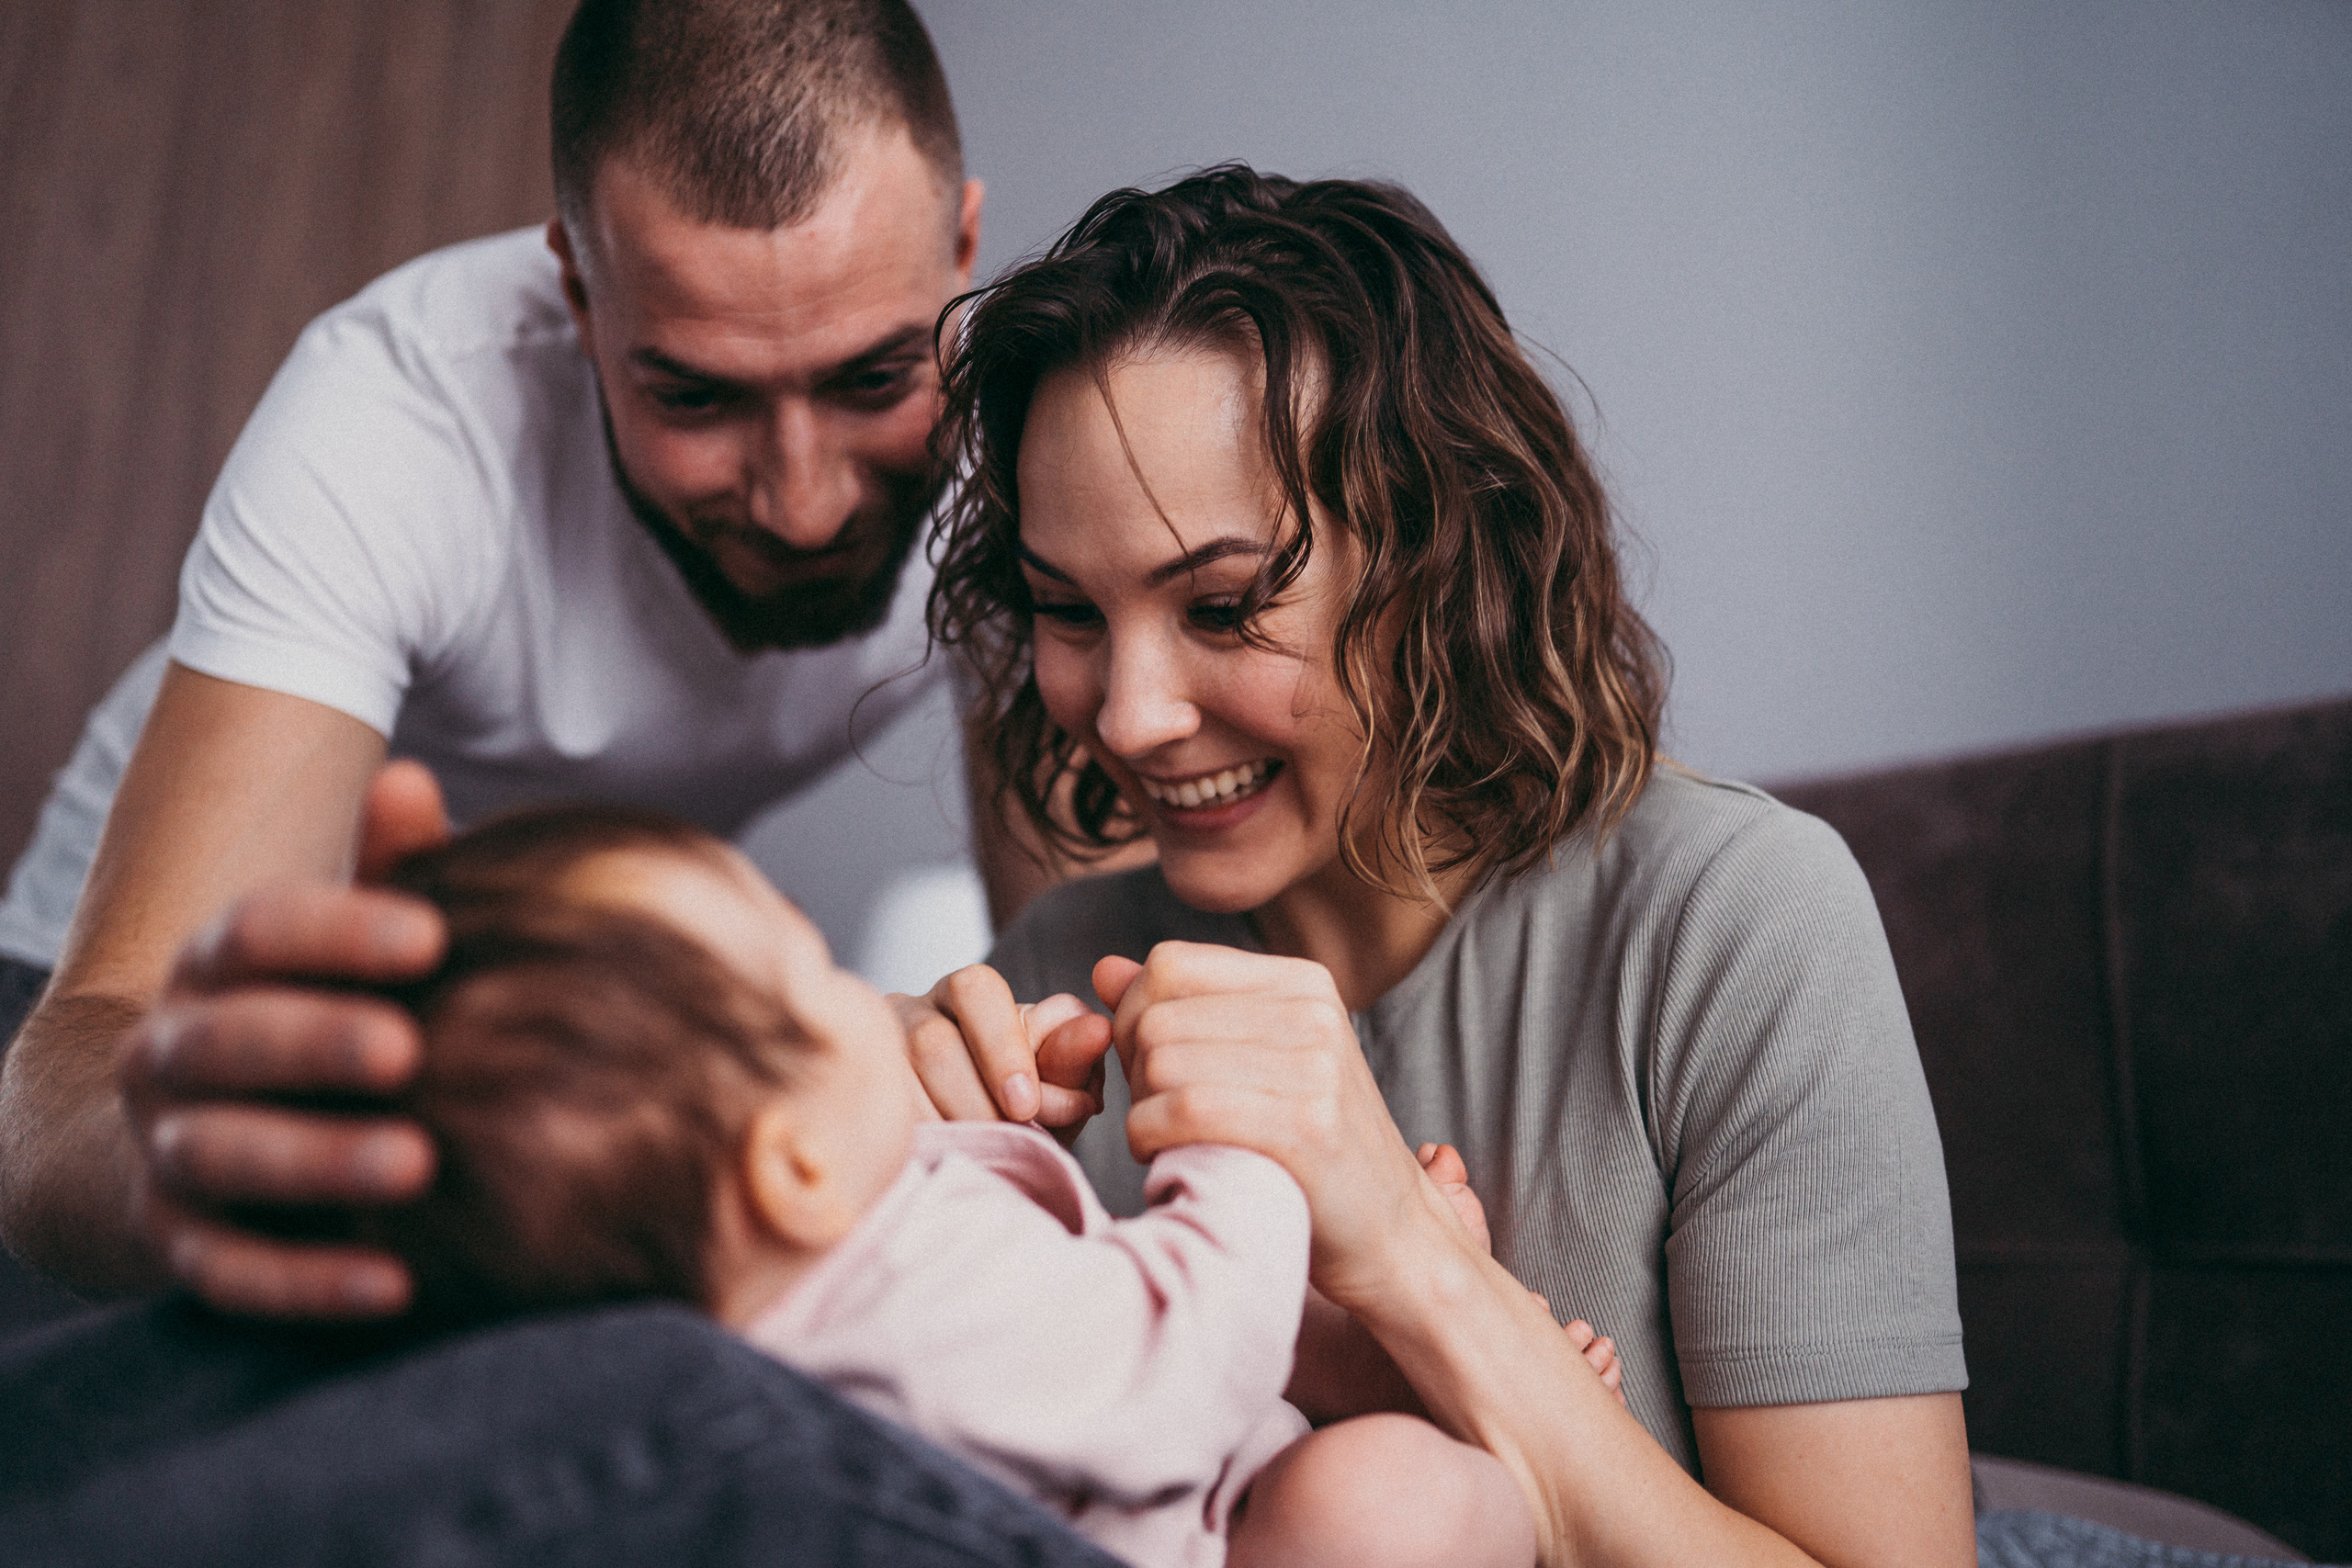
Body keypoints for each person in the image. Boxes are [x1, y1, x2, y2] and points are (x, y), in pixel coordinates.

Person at [898, 166, 1978, 1567]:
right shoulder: (1057, 973)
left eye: (1222, 606)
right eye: (1068, 610)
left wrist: (1408, 1262)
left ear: (1437, 559)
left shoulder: (1737, 926)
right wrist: (865, 1117)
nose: (1129, 715)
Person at [0, 0, 1069, 1317]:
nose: (803, 504)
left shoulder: (1025, 443)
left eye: (872, 382)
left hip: (570, 1069)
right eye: (696, 397)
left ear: (960, 248)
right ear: (575, 291)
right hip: (139, 1036)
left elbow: (1065, 967)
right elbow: (64, 1096)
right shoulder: (401, 419)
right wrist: (207, 1160)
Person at [347, 799, 1623, 1568]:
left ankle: (1429, 1346)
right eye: (818, 977)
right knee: (1396, 1498)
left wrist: (999, 1131)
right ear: (793, 1168)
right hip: (1197, 1515)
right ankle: (1488, 1424)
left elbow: (1039, 1311)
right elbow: (1167, 1362)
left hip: (1177, 1478)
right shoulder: (906, 1293)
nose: (871, 1000)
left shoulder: (783, 1298)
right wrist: (1238, 1146)